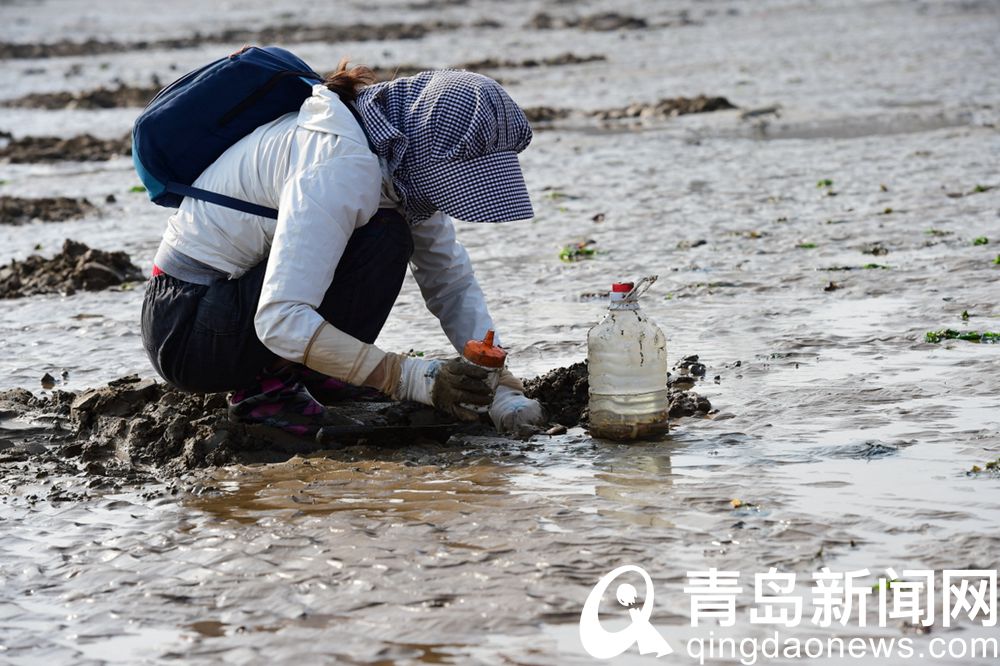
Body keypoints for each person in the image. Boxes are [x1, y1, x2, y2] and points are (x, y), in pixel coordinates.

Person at [141, 61, 545, 436]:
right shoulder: (339, 163)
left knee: (388, 231)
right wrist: (407, 377)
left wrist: (500, 381)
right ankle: (268, 389)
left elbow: (449, 281)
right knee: (385, 236)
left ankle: (313, 370)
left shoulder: (398, 154)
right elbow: (280, 320)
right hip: (188, 330)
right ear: (427, 151)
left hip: (227, 303)